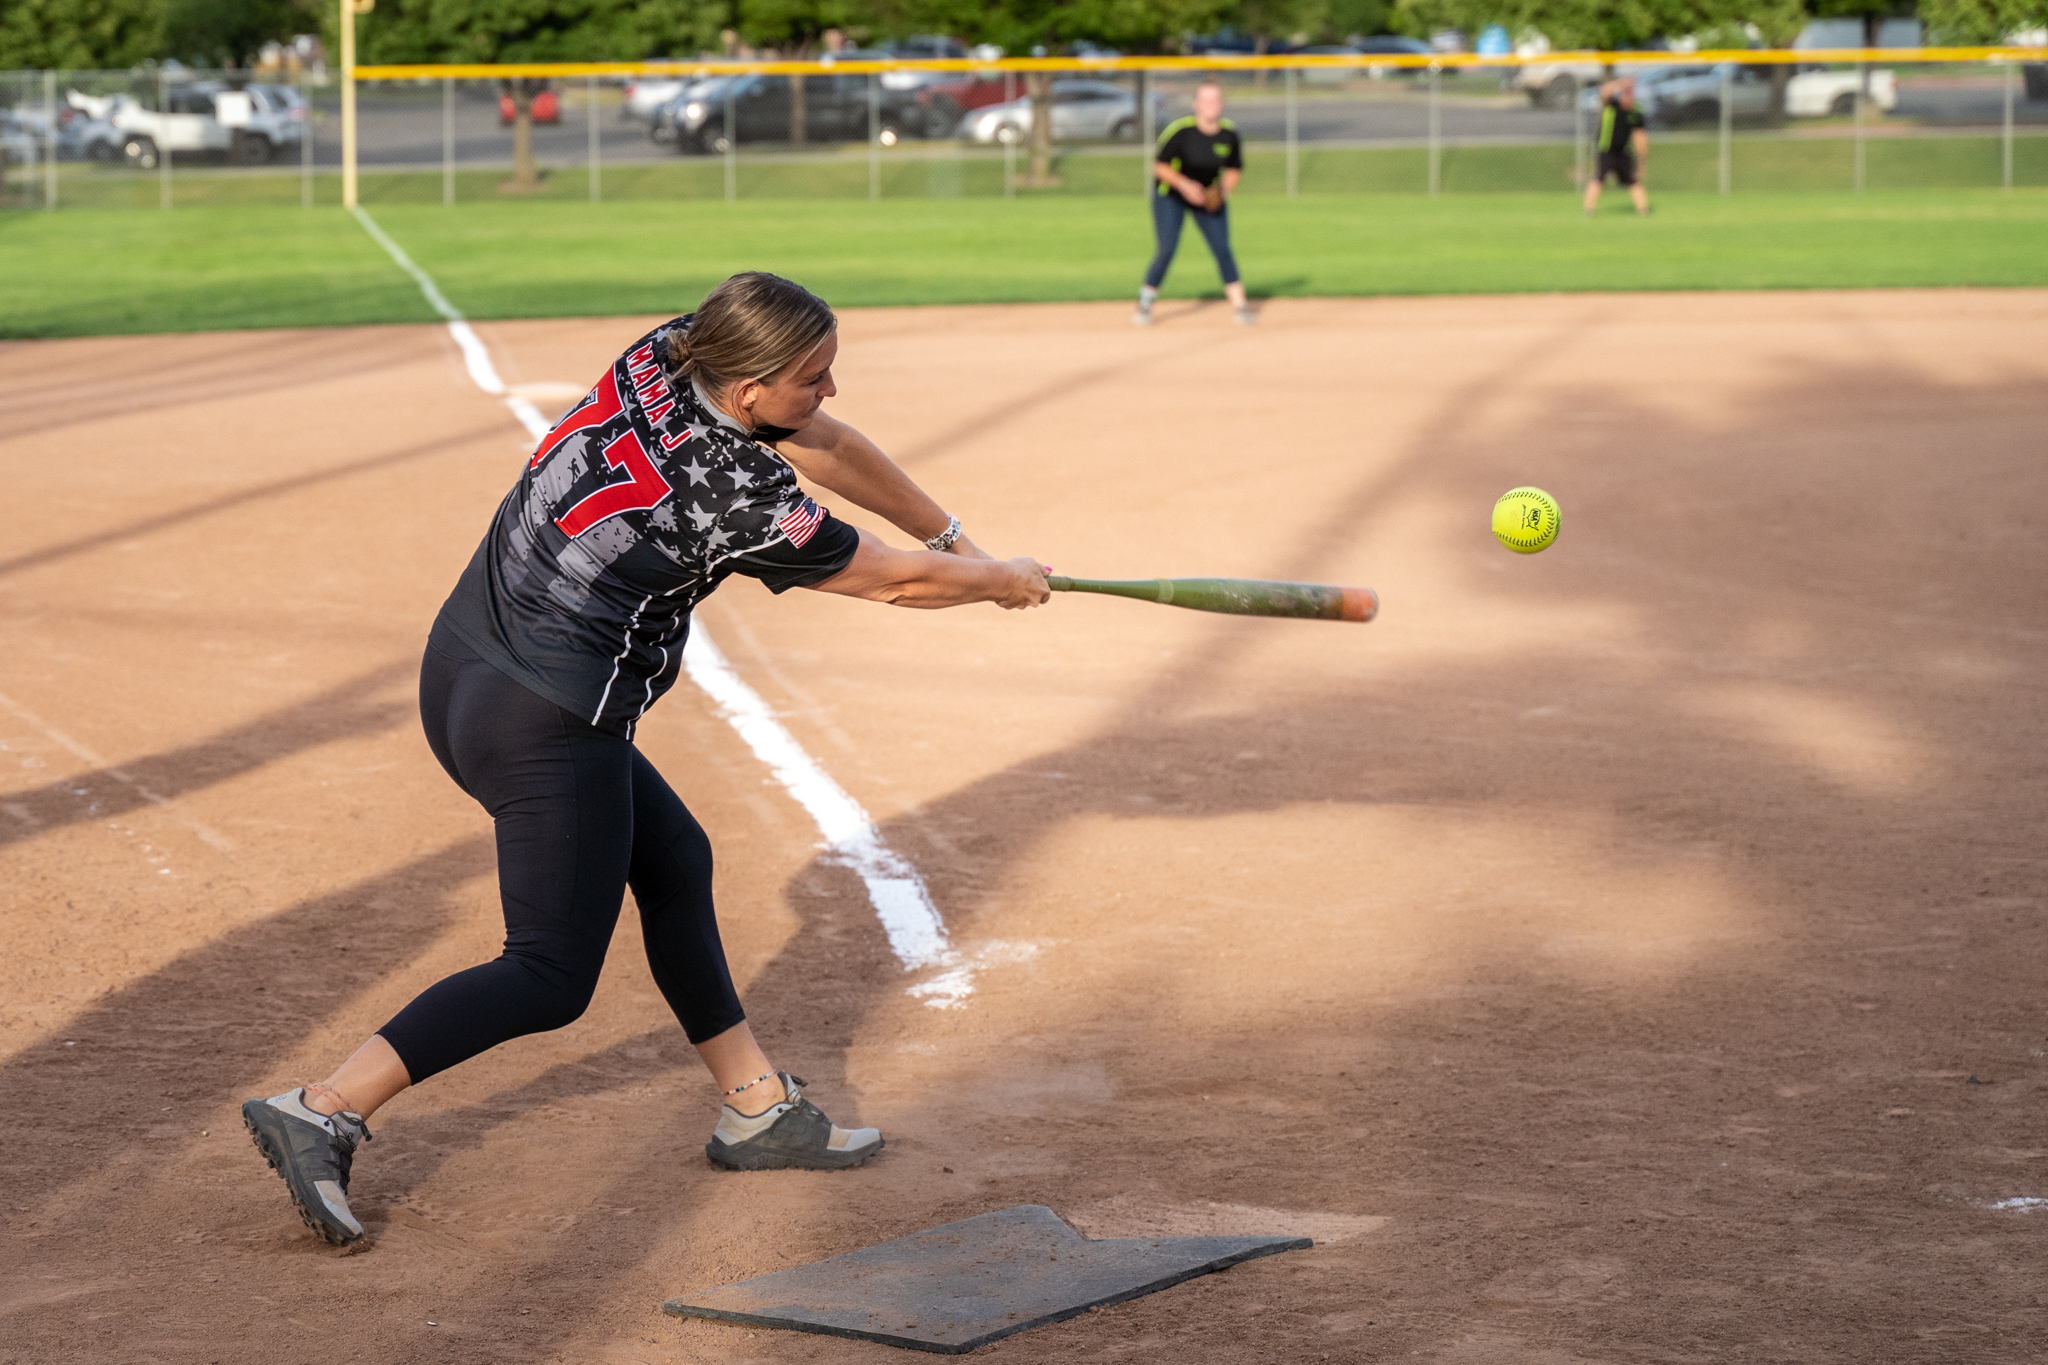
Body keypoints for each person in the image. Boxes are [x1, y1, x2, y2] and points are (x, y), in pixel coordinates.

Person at [242, 272, 1051, 1247]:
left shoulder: (668, 352)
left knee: (673, 861)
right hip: (543, 721)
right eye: (812, 376)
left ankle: (754, 1106)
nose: (828, 393)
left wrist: (953, 536)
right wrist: (994, 579)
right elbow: (891, 586)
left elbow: (828, 445)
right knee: (548, 973)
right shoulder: (738, 495)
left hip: (462, 663)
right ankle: (327, 1104)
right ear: (749, 392)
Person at [1136, 79, 1253, 327]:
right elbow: (1159, 166)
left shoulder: (1229, 134)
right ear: (1196, 104)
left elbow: (1234, 168)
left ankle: (1240, 306)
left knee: (1222, 248)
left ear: (1222, 104)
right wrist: (1184, 185)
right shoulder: (1181, 132)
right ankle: (1145, 303)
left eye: (1215, 100)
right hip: (1172, 195)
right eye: (1205, 100)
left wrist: (1223, 189)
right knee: (1167, 249)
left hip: (1207, 197)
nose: (1211, 105)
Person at [1583, 76, 1650, 217]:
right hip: (1606, 150)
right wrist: (1621, 83)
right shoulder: (1612, 104)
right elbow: (1604, 92)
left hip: (1623, 152)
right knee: (1598, 178)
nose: (1628, 95)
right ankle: (1588, 210)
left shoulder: (1635, 110)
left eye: (1631, 92)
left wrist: (1642, 158)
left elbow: (1640, 135)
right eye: (1626, 92)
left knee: (1633, 181)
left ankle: (1643, 210)